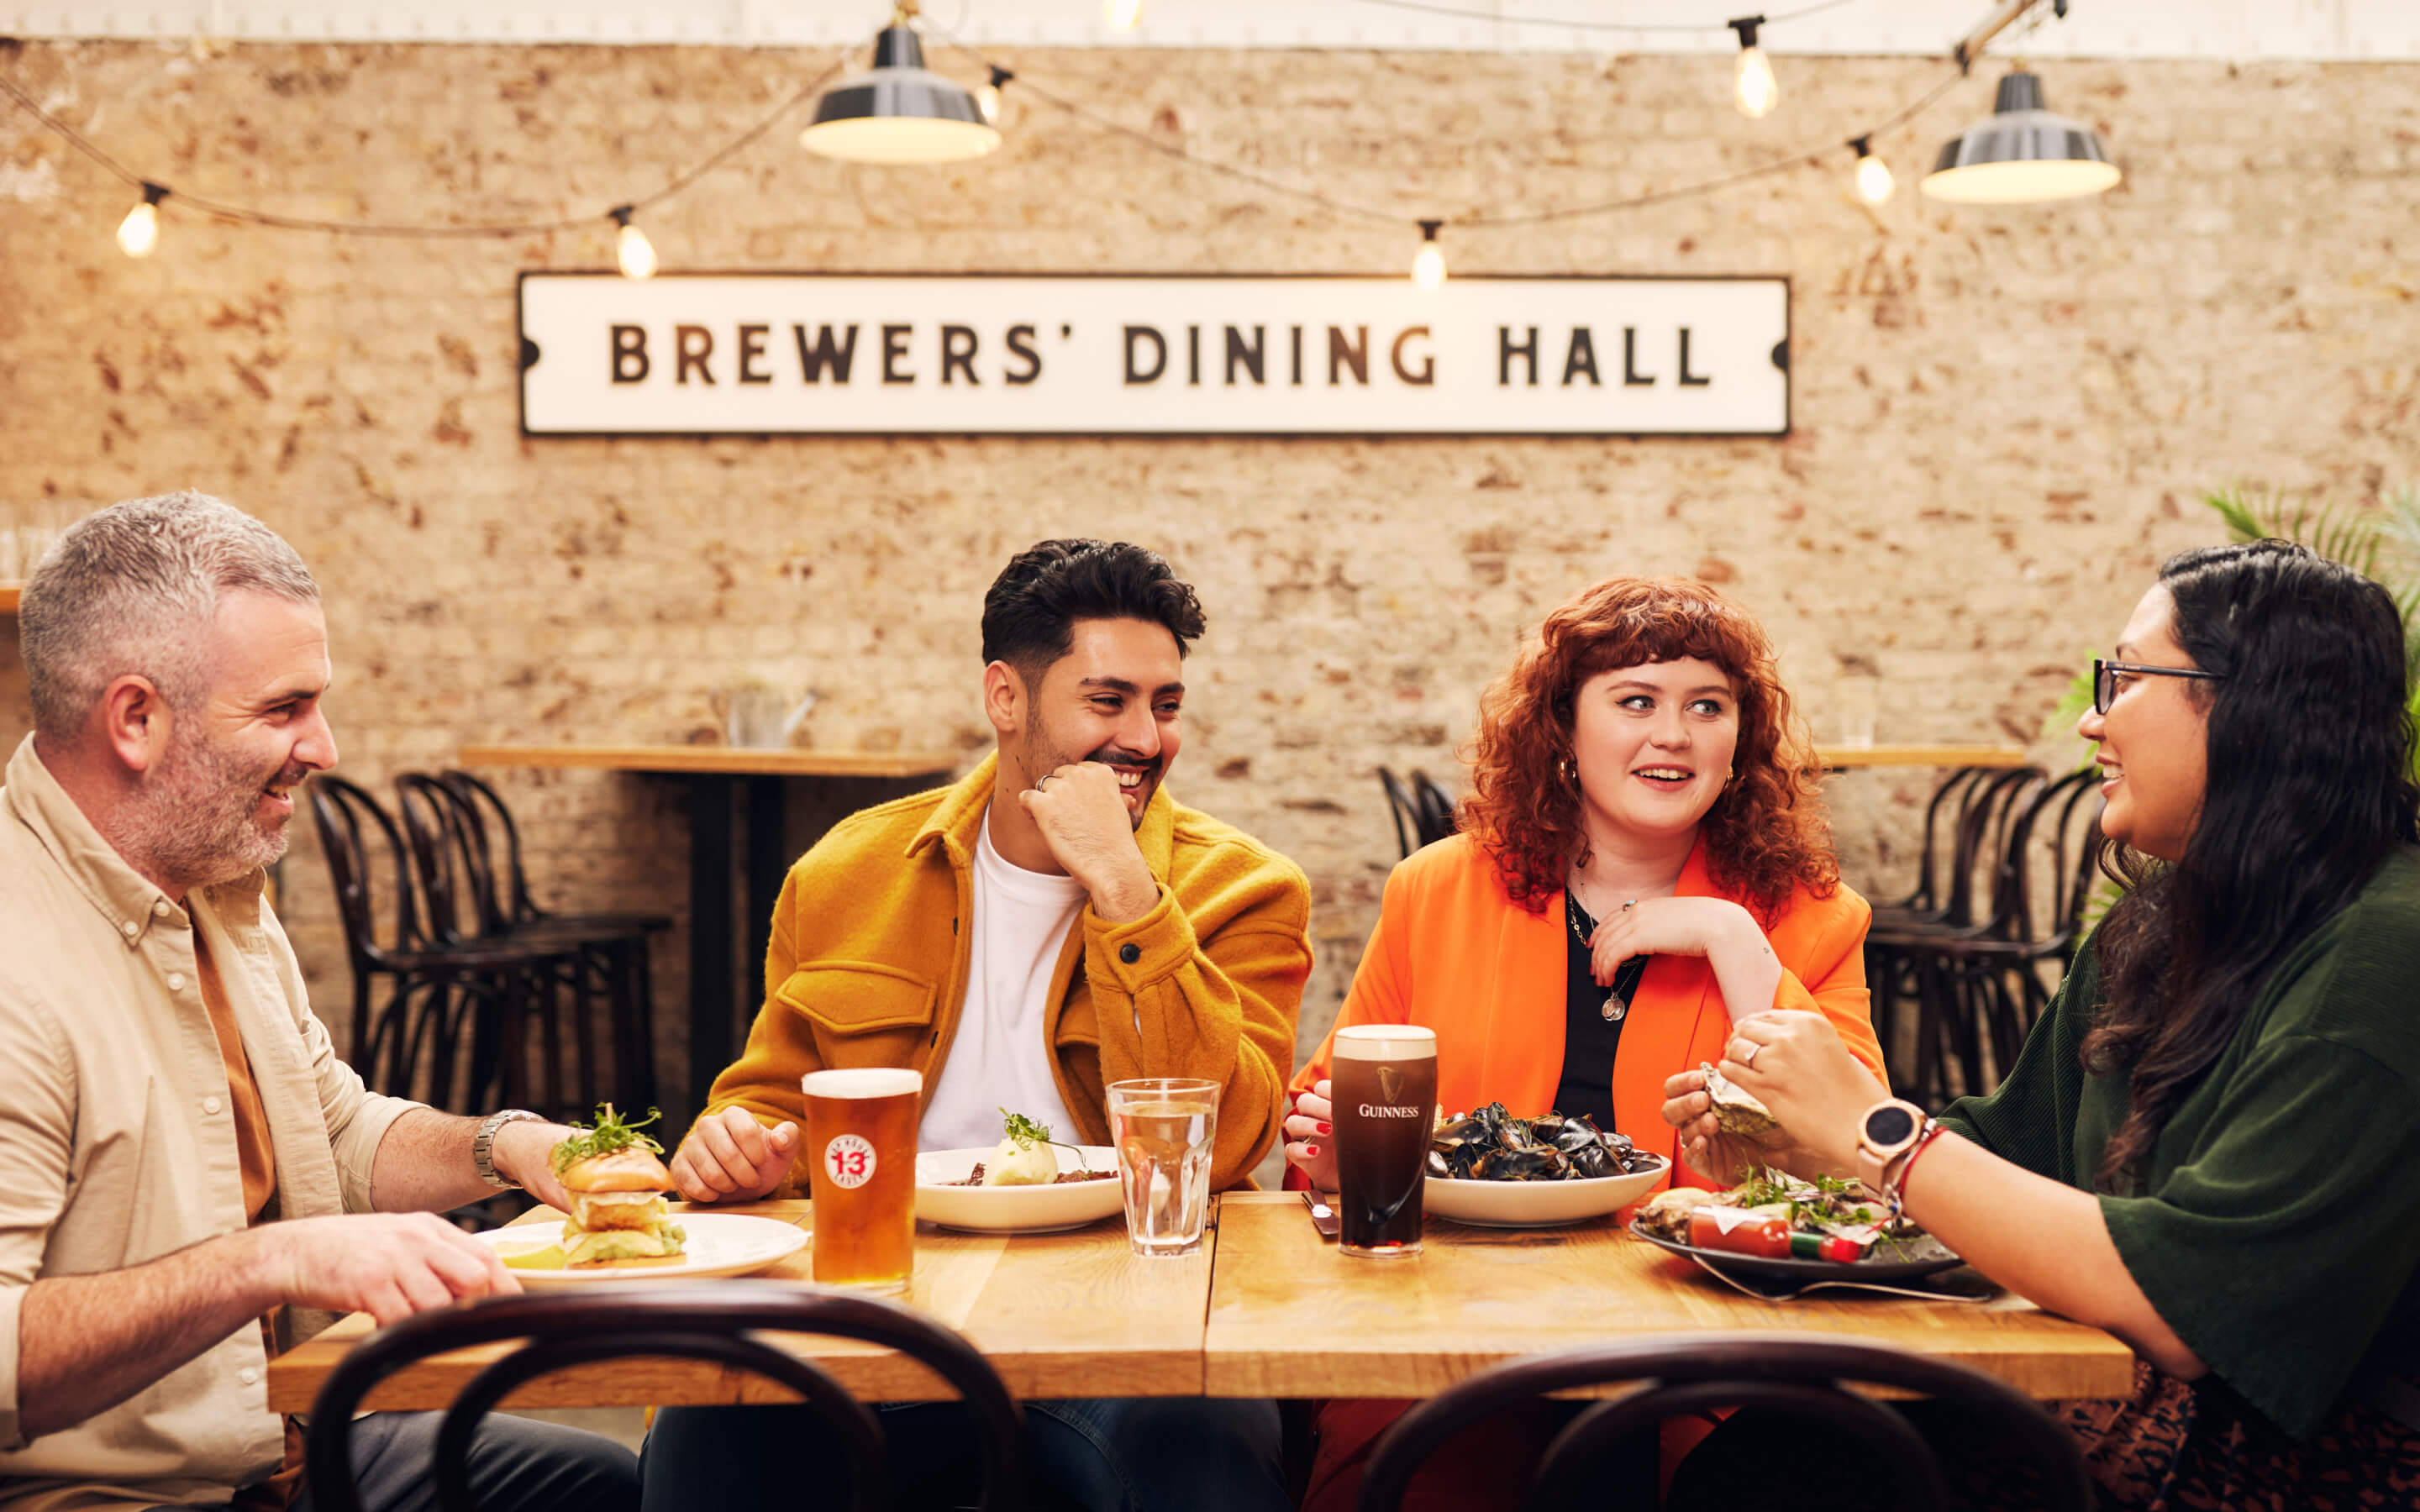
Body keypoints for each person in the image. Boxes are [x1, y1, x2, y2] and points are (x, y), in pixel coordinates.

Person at [1663, 540, 2420, 1508]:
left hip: (2305, 1461)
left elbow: (2184, 1307)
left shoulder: (2382, 959)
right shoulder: (2163, 926)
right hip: (2124, 1385)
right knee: (1767, 1454)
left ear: (2253, 706)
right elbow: (2010, 1157)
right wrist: (1803, 1142)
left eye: (2127, 679)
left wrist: (1873, 1128)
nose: (2093, 720)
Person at [0, 492, 638, 1512]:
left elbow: (330, 1129)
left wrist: (512, 1146)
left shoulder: (215, 887)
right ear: (136, 720)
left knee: (609, 1482)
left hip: (300, 1446)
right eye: (283, 709)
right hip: (115, 1494)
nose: (325, 747)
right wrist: (268, 1263)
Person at [645, 538, 1310, 1512]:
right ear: (1006, 698)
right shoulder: (845, 873)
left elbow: (1228, 1144)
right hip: (882, 1306)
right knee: (709, 1430)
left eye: (1165, 706)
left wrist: (1124, 888)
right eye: (1108, 700)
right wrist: (735, 1149)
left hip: (1125, 1322)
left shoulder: (1244, 888)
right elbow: (770, 1102)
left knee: (1200, 1447)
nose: (1145, 738)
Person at [1283, 575, 1885, 1512]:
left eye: (1707, 707)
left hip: (1706, 1343)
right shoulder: (1435, 891)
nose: (1674, 734)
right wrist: (1334, 1154)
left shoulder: (1809, 919)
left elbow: (1864, 1165)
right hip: (1461, 1328)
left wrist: (1732, 942)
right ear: (1562, 727)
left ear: (1741, 740)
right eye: (1636, 701)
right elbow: (1326, 1129)